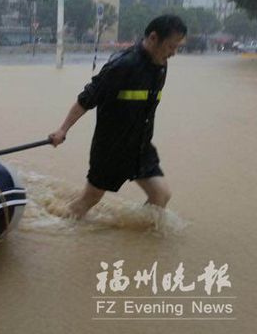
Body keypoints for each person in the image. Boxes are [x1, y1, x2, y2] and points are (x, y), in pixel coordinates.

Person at [49, 15, 188, 219]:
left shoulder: (161, 66)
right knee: (88, 201)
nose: (174, 53)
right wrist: (62, 130)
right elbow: (86, 99)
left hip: (141, 147)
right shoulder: (123, 65)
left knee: (161, 195)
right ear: (153, 38)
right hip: (111, 149)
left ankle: (135, 243)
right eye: (170, 46)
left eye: (177, 47)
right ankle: (55, 222)